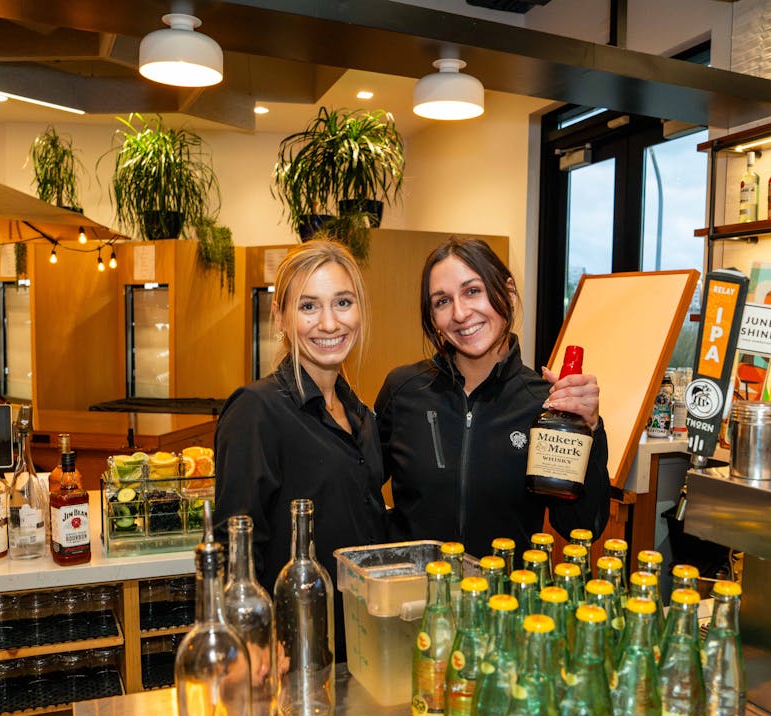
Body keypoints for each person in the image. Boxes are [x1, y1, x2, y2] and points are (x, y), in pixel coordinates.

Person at [375, 236, 610, 557]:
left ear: (508, 293)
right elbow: (360, 493)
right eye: (442, 301)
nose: (460, 313)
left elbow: (581, 526)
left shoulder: (545, 406)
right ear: (433, 318)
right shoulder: (404, 390)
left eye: (473, 291)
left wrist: (590, 430)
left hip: (505, 587)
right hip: (416, 586)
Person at [213, 239, 386, 658]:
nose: (329, 322)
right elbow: (235, 548)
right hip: (292, 653)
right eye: (309, 306)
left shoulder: (360, 414)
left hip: (360, 644)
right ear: (280, 317)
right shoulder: (257, 410)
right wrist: (254, 645)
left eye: (342, 302)